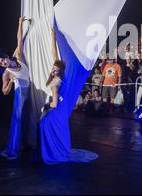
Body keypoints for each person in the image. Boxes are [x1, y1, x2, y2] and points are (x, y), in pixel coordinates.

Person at [38, 28, 98, 164]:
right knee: (59, 127)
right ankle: (58, 149)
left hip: (58, 107)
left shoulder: (55, 81)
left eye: (55, 69)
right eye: (54, 68)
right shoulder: (63, 76)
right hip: (63, 108)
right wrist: (53, 37)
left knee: (44, 124)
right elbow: (54, 54)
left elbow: (54, 104)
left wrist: (46, 106)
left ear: (58, 70)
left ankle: (52, 152)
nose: (53, 69)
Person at [0, 16, 30, 160]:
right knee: (17, 120)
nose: (3, 63)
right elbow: (4, 91)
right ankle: (12, 149)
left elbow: (19, 39)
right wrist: (11, 82)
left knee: (26, 119)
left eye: (2, 60)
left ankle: (21, 144)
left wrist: (20, 23)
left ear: (6, 57)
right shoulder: (7, 74)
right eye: (1, 64)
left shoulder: (18, 57)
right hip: (19, 94)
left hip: (28, 91)